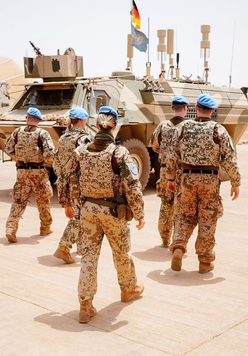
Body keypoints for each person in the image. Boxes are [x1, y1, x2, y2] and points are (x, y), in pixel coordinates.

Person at [59, 106, 145, 322]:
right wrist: (139, 213)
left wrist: (67, 203)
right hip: (114, 212)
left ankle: (85, 304)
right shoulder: (119, 152)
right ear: (114, 127)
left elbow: (65, 177)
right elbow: (132, 185)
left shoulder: (81, 151)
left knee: (89, 257)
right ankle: (128, 288)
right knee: (121, 253)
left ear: (96, 125)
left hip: (87, 210)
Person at [165, 93, 241, 273]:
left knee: (184, 215)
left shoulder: (182, 128)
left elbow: (172, 155)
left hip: (187, 178)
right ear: (212, 110)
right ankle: (205, 261)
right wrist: (235, 181)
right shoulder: (218, 130)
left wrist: (170, 178)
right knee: (208, 218)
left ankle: (178, 246)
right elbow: (229, 159)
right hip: (209, 180)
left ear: (196, 108)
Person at [4, 107, 55, 242]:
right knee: (43, 199)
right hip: (39, 171)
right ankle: (45, 227)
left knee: (19, 200)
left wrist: (18, 159)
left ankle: (11, 229)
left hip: (21, 171)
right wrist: (46, 164)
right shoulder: (43, 133)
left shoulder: (17, 132)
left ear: (28, 118)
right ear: (39, 120)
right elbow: (49, 154)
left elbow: (7, 148)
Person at [53, 107, 93, 264]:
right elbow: (89, 162)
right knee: (80, 215)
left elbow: (56, 161)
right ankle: (64, 247)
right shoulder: (84, 139)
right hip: (79, 183)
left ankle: (81, 247)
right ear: (82, 121)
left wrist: (63, 177)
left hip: (64, 181)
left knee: (79, 213)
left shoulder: (63, 138)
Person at [148, 95, 189, 247]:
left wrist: (166, 153)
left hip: (165, 170)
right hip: (183, 172)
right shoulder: (189, 126)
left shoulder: (163, 126)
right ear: (185, 108)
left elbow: (154, 145)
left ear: (172, 108)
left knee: (166, 203)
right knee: (182, 206)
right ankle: (178, 240)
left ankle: (165, 237)